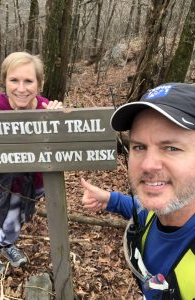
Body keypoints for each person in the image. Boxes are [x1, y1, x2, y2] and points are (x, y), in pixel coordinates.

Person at [81, 82, 195, 300]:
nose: (148, 165)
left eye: (171, 148)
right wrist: (109, 200)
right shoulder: (155, 214)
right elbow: (140, 210)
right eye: (139, 147)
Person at [0, 51, 63, 277]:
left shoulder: (45, 108)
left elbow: (62, 152)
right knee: (11, 229)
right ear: (4, 81)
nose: (21, 88)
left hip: (39, 184)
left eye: (28, 81)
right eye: (14, 80)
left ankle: (8, 244)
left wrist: (60, 119)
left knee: (19, 221)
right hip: (9, 186)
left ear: (39, 84)